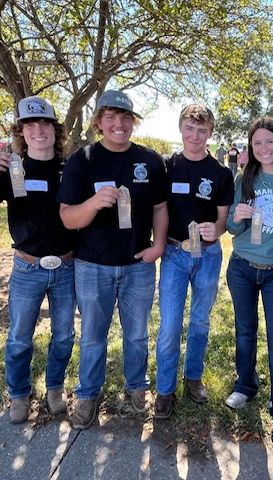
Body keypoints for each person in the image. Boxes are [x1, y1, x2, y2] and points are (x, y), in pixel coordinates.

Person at [57, 90, 169, 430]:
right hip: (92, 266)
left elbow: (160, 208)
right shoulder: (83, 160)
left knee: (136, 334)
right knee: (93, 335)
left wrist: (159, 246)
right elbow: (67, 217)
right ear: (98, 123)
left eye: (125, 118)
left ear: (132, 122)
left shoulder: (150, 161)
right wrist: (92, 203)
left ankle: (137, 387)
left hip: (138, 265)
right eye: (110, 117)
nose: (118, 124)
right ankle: (89, 393)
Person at [0, 96, 76, 424]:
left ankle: (55, 387)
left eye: (45, 124)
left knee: (65, 335)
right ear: (21, 132)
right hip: (27, 267)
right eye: (30, 125)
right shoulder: (13, 168)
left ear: (56, 130)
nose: (38, 130)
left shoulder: (72, 168)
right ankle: (19, 393)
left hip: (67, 266)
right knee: (20, 335)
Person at [225, 116, 273, 451]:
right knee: (244, 330)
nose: (264, 148)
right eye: (257, 143)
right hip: (242, 267)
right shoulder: (245, 178)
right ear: (250, 148)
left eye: (269, 141)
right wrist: (237, 218)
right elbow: (232, 227)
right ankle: (246, 384)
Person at [154, 104, 234, 419]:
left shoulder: (221, 174)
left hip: (208, 256)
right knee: (171, 324)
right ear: (181, 129)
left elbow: (223, 220)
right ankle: (164, 389)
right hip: (174, 254)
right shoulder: (166, 167)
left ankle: (193, 377)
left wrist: (216, 229)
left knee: (200, 321)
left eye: (202, 130)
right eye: (190, 128)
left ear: (210, 133)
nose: (195, 136)